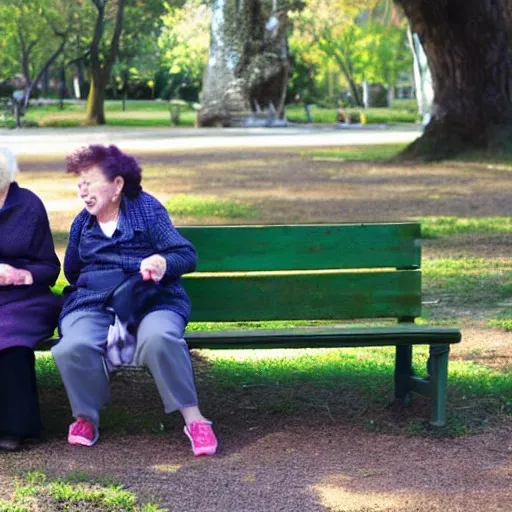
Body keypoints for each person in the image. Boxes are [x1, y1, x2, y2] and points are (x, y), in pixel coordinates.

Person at [52, 144, 217, 456]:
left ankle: (194, 418)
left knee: (160, 338)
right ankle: (85, 417)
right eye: (80, 184)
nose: (83, 191)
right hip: (93, 302)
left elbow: (185, 254)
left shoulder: (147, 209)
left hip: (151, 297)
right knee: (72, 346)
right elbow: (73, 270)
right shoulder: (81, 224)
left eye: (90, 182)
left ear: (117, 184)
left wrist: (161, 263)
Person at [0, 147, 62, 451]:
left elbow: (50, 268)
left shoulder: (29, 206)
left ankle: (14, 428)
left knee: (10, 336)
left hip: (25, 298)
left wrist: (22, 275)